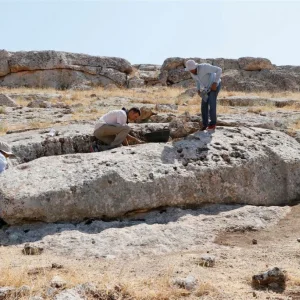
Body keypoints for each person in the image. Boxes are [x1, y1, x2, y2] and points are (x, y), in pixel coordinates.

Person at [185, 59, 222, 131]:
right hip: (206, 88)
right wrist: (198, 89)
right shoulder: (192, 73)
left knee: (212, 103)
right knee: (203, 105)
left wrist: (215, 83)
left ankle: (212, 124)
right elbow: (197, 81)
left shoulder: (204, 67)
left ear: (195, 67)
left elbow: (219, 70)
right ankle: (205, 124)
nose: (191, 71)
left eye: (192, 69)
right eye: (190, 70)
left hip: (215, 85)